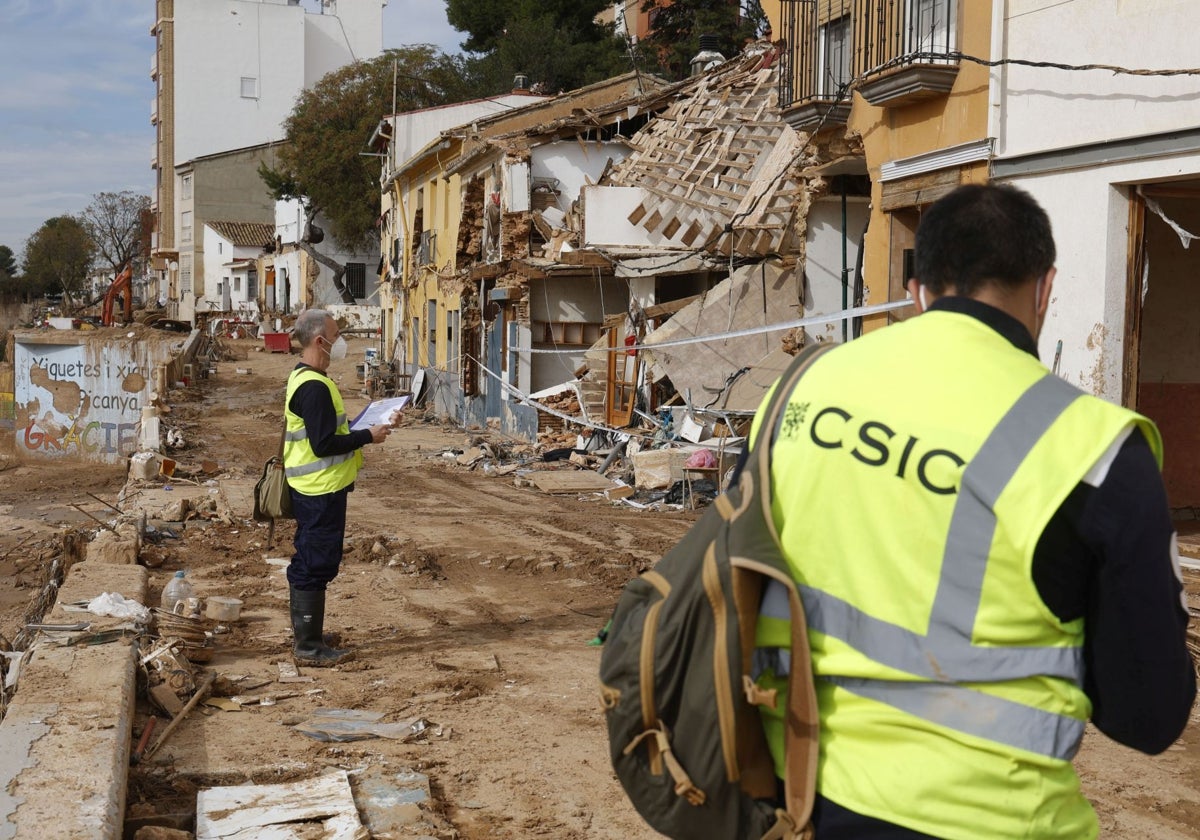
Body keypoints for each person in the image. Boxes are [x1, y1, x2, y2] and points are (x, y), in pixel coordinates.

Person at [749, 184, 1195, 838]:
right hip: (990, 820)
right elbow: (1148, 717)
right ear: (1045, 289)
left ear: (915, 289)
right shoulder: (1095, 451)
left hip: (796, 795)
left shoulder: (800, 388)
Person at [284, 309, 390, 666]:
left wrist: (369, 425)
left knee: (316, 561)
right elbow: (323, 444)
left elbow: (329, 433)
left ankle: (309, 635)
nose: (340, 340)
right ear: (319, 341)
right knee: (314, 563)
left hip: (318, 487)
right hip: (319, 489)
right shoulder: (313, 386)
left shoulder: (307, 377)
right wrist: (368, 437)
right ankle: (309, 646)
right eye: (335, 334)